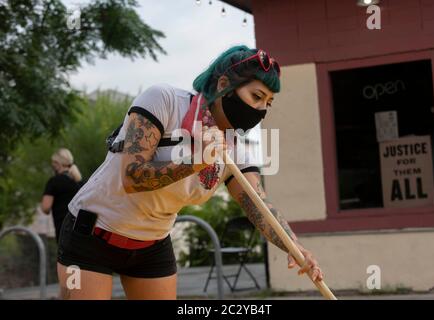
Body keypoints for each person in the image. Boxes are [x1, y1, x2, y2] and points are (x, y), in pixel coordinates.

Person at [57, 45, 324, 300]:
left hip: (152, 243)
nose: (261, 109)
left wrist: (293, 245)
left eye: (268, 102)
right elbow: (132, 176)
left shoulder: (234, 146)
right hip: (92, 234)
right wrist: (197, 161)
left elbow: (257, 202)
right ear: (223, 85)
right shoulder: (165, 101)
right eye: (256, 96)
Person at [40, 148, 83, 243]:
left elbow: (45, 208)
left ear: (57, 163)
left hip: (64, 230)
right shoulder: (80, 183)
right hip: (81, 231)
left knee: (63, 257)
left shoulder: (54, 182)